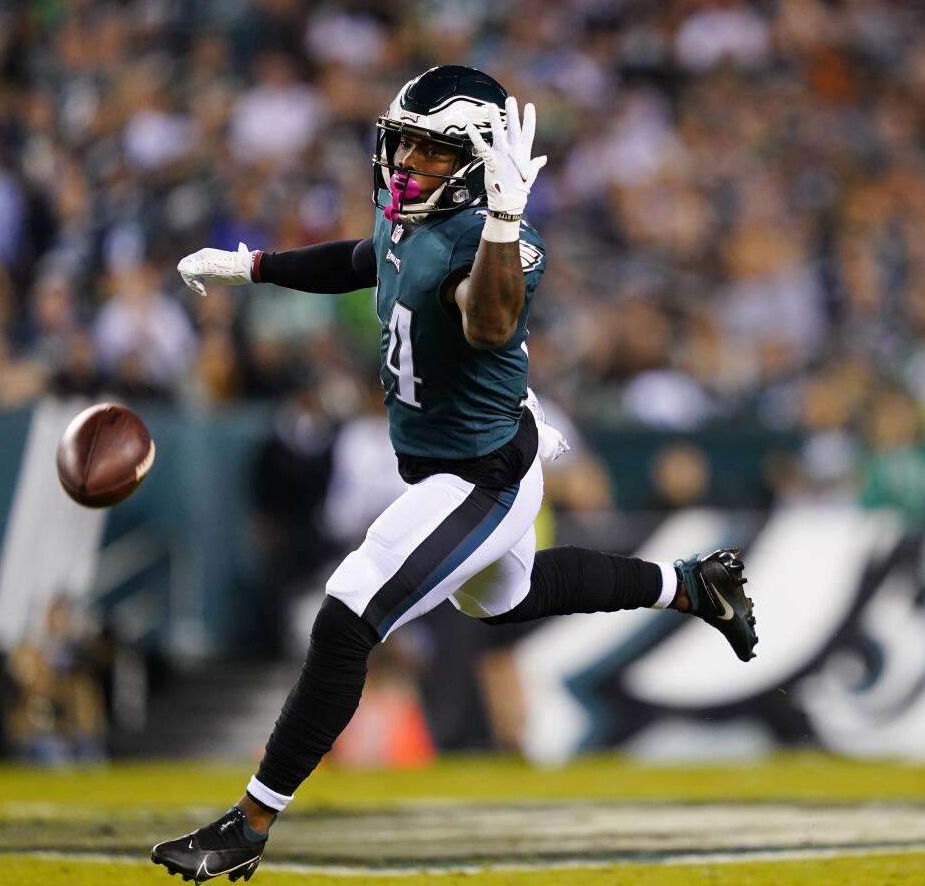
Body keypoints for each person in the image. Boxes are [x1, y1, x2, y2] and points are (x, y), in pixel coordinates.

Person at [151, 65, 757, 883]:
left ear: (478, 165)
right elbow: (370, 257)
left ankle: (250, 822)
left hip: (482, 475)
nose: (405, 165)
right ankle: (691, 586)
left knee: (348, 615)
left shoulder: (503, 242)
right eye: (401, 144)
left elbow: (487, 318)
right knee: (505, 597)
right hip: (456, 460)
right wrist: (252, 267)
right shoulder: (413, 212)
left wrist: (505, 219)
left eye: (430, 153)